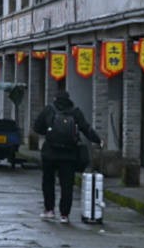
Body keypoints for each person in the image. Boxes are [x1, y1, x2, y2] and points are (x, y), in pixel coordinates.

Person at [32, 87, 100, 223]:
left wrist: (49, 132)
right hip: (69, 155)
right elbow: (86, 128)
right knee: (67, 184)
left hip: (50, 153)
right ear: (69, 100)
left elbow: (37, 127)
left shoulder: (49, 110)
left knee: (48, 182)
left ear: (55, 99)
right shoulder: (75, 112)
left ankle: (49, 210)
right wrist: (98, 140)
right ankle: (64, 215)